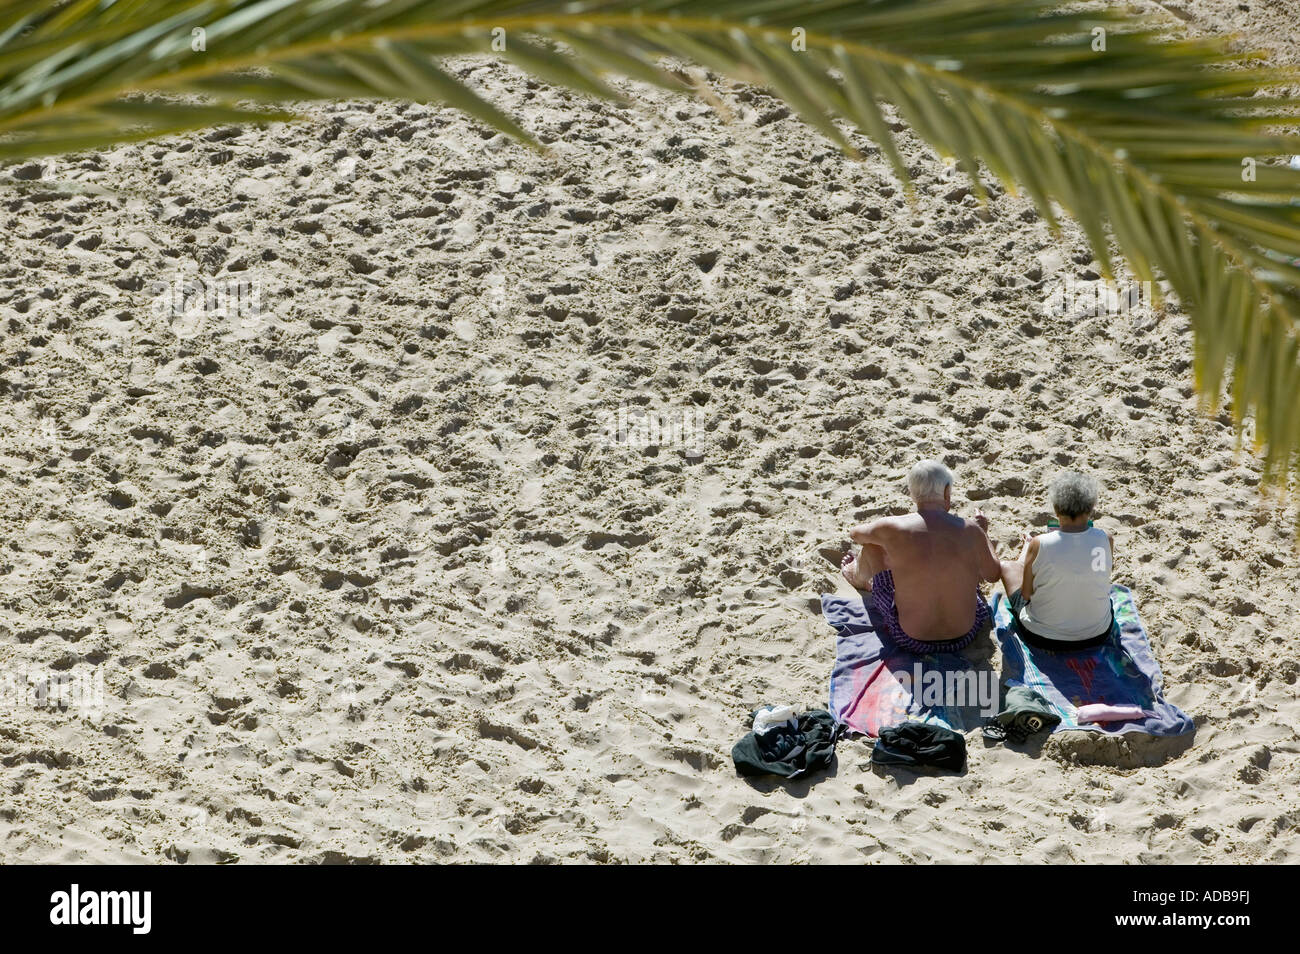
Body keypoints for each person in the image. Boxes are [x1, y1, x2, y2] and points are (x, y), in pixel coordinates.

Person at [841, 459, 1001, 653]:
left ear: (912, 493)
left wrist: (883, 533)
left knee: (872, 547)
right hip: (965, 634)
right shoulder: (971, 529)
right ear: (946, 491)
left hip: (910, 638)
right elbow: (992, 575)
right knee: (964, 556)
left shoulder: (893, 527)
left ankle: (856, 576)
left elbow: (855, 535)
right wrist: (982, 534)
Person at [999, 471, 1115, 651]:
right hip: (1098, 634)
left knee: (1008, 568)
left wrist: (1031, 549)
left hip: (1043, 636)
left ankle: (1024, 551)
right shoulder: (1105, 538)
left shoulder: (1041, 543)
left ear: (1055, 508)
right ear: (1091, 507)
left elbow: (1027, 594)